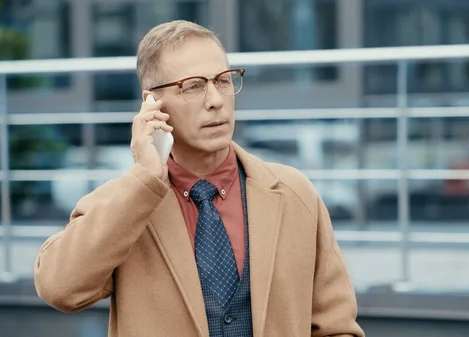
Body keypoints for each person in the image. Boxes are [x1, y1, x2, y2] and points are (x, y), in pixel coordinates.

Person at [33, 20, 364, 337]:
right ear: (151, 103)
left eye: (222, 80)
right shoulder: (126, 204)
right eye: (193, 86)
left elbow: (337, 327)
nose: (216, 101)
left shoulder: (295, 195)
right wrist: (144, 180)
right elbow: (60, 288)